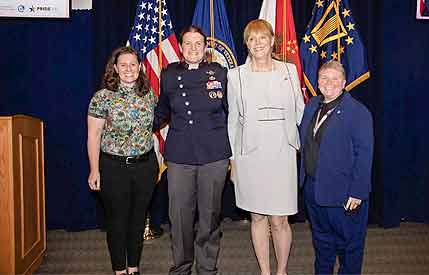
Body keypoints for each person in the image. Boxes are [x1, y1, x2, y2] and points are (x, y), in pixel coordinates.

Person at [227, 19, 305, 275]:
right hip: (250, 156)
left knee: (280, 219)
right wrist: (233, 161)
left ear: (272, 41)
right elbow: (233, 122)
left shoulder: (290, 71)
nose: (258, 43)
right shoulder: (235, 75)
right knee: (258, 217)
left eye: (263, 38)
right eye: (252, 39)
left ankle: (281, 270)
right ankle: (265, 271)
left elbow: (300, 111)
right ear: (246, 44)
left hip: (282, 153)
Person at [153, 25, 231, 275]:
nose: (193, 48)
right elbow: (161, 112)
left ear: (205, 47)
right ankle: (181, 267)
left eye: (198, 43)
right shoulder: (169, 74)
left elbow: (234, 111)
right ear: (181, 47)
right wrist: (136, 125)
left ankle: (207, 268)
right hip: (180, 156)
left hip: (213, 154)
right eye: (188, 43)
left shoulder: (219, 73)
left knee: (210, 216)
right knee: (180, 218)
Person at [87, 46, 159, 275]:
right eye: (123, 65)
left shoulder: (149, 94)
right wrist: (94, 170)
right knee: (117, 222)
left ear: (140, 67)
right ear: (115, 68)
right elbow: (93, 136)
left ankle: (133, 268)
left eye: (133, 64)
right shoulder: (102, 97)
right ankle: (119, 270)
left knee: (138, 221)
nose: (129, 69)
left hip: (145, 167)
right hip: (113, 168)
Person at [299, 60, 373, 275]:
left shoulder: (358, 112)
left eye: (334, 78)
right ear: (317, 81)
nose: (328, 83)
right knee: (322, 244)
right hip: (313, 190)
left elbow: (365, 155)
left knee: (349, 247)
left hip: (344, 195)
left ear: (344, 82)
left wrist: (357, 192)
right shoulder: (312, 105)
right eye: (324, 78)